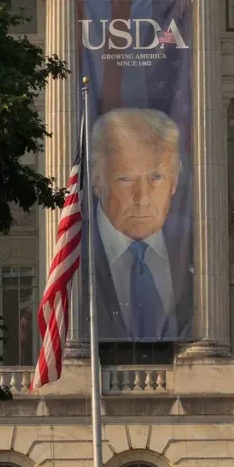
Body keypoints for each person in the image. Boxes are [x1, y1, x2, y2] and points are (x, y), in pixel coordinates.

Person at [88, 107, 188, 341]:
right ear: (96, 181)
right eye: (125, 178)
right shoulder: (73, 248)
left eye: (156, 177)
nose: (142, 198)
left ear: (174, 180)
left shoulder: (198, 246)